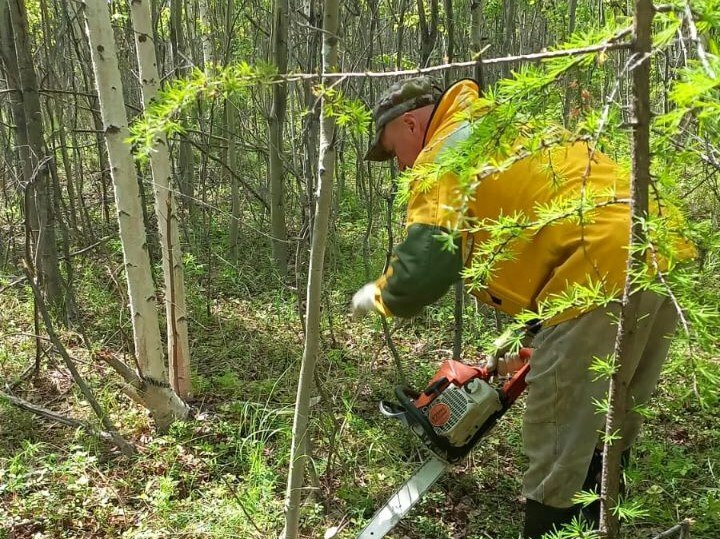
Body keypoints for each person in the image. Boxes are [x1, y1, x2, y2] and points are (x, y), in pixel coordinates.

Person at [351, 77, 694, 537]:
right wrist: (532, 337)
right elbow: (549, 221)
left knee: (559, 451)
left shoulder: (444, 154)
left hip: (597, 275)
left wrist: (378, 296)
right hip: (662, 253)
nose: (402, 167)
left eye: (396, 153)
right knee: (610, 426)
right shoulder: (506, 125)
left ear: (411, 124)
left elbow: (421, 272)